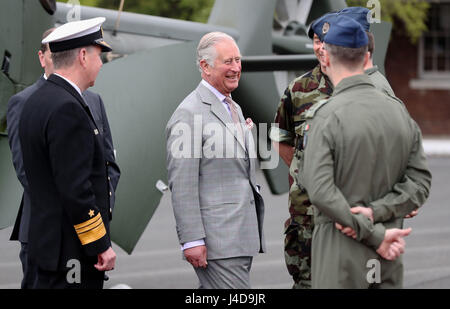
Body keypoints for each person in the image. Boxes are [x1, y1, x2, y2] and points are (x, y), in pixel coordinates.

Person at [269, 7, 423, 289]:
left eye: (327, 43)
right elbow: (283, 140)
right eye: (316, 41)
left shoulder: (372, 98)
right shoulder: (300, 88)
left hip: (341, 225)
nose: (320, 48)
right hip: (314, 219)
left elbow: (323, 189)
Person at [7, 27, 120, 289]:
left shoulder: (40, 100)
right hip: (69, 244)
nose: (100, 64)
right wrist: (99, 243)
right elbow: (75, 188)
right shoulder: (67, 107)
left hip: (47, 242)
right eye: (97, 56)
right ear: (82, 56)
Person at [166, 32, 265, 289]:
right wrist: (191, 240)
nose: (236, 68)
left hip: (239, 237)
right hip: (217, 241)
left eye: (238, 60)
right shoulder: (188, 113)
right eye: (227, 62)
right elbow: (182, 182)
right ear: (205, 66)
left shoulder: (233, 106)